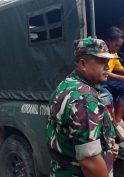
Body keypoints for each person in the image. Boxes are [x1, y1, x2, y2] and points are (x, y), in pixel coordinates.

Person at [46, 37, 119, 177]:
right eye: (101, 62)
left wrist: (109, 146)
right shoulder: (84, 99)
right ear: (83, 64)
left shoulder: (66, 85)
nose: (107, 67)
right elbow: (90, 161)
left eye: (107, 62)